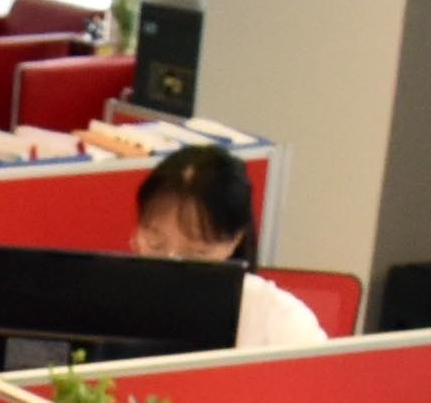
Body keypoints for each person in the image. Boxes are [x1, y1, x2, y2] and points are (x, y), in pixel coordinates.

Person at [125, 142, 325, 351]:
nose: (169, 266)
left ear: (234, 241)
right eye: (155, 245)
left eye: (196, 253)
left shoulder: (279, 321)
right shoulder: (114, 302)